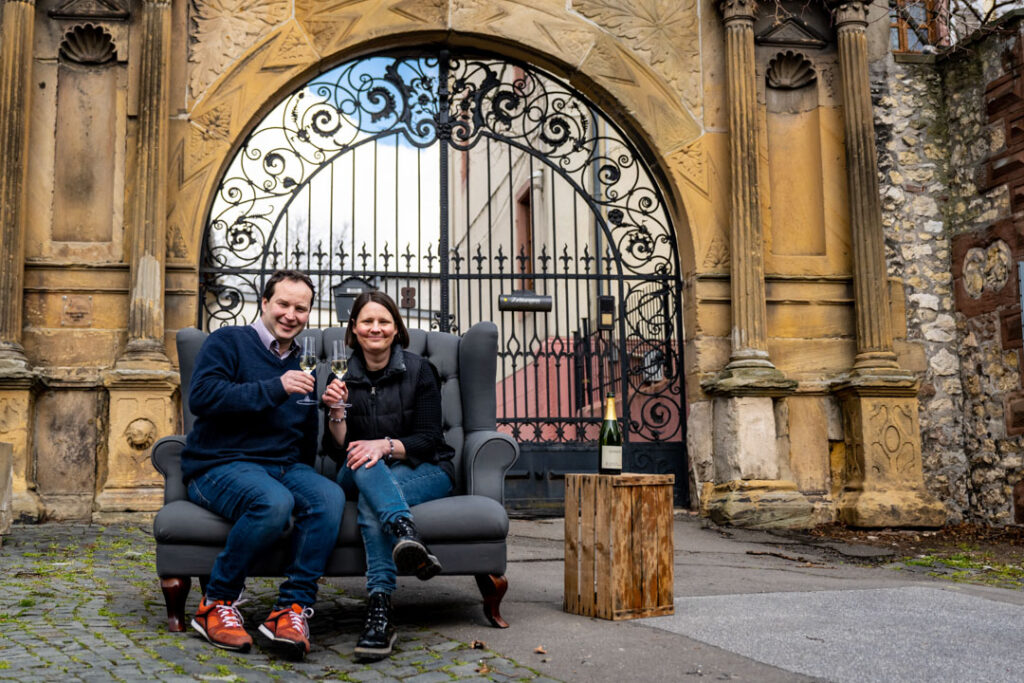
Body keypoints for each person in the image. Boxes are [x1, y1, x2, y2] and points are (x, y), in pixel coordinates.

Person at [181, 269, 343, 659]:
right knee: (273, 502)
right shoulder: (229, 341)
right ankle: (215, 604)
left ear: (309, 313)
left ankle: (289, 610)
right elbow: (201, 397)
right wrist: (276, 386)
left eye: (301, 308)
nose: (291, 314)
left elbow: (304, 431)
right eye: (283, 304)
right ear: (266, 303)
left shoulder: (306, 362)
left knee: (329, 496)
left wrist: (333, 411)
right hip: (219, 464)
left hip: (282, 465)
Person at [322, 290, 454, 661]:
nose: (375, 328)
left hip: (424, 469)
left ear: (396, 328)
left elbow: (430, 439)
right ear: (354, 329)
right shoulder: (341, 376)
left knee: (370, 494)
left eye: (384, 321)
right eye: (367, 321)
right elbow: (335, 451)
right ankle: (405, 533)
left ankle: (380, 609)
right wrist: (335, 413)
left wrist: (383, 445)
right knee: (363, 463)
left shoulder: (419, 370)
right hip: (358, 469)